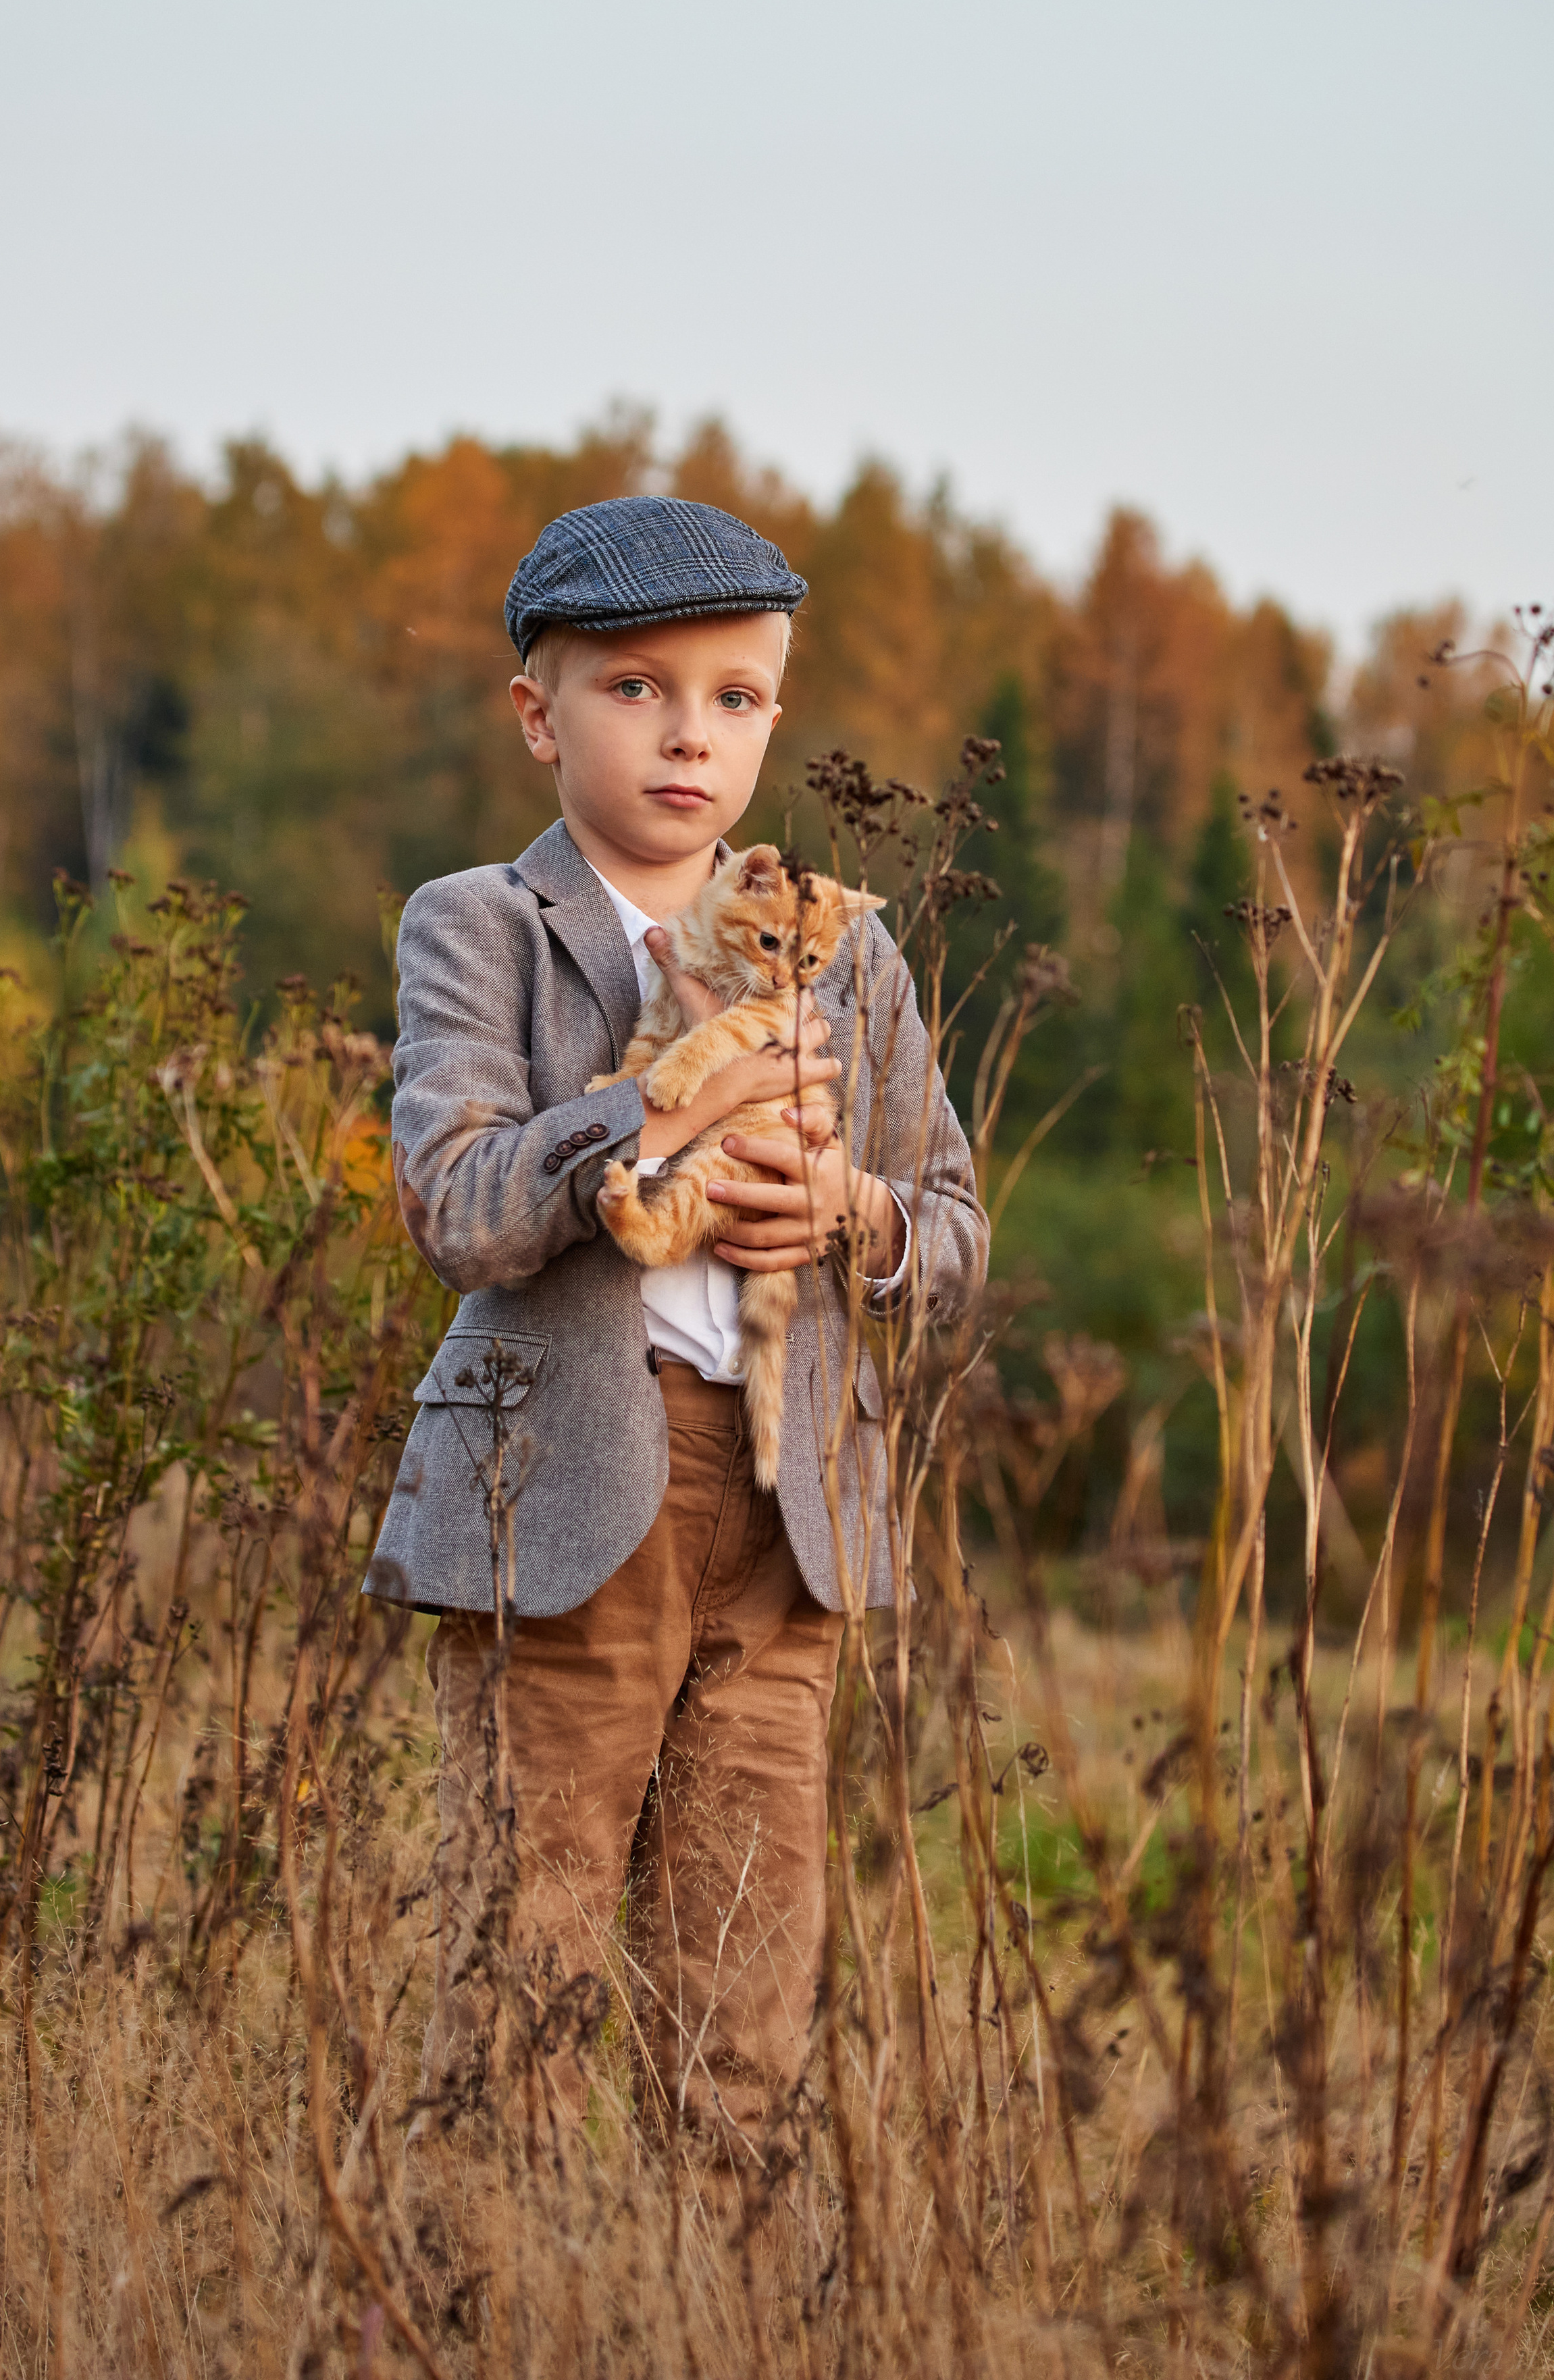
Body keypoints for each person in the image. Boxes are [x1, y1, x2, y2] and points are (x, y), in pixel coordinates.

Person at [366, 495, 987, 2162]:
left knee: (743, 1985)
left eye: (732, 696)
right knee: (528, 1963)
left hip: (785, 1519)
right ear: (536, 713)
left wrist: (849, 1215)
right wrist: (645, 1113)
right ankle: (487, 2295)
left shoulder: (842, 953)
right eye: (633, 690)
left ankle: (706, 2301)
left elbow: (951, 1232)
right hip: (568, 1498)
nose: (686, 737)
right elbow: (458, 1206)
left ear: (775, 714)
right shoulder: (482, 925)